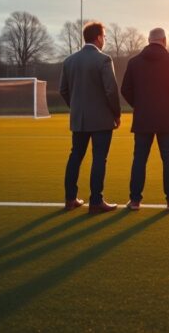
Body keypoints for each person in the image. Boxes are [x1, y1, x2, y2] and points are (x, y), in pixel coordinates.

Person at [121, 27, 169, 211]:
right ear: (164, 41)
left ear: (148, 40)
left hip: (143, 118)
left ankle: (134, 201)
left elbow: (125, 89)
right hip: (167, 118)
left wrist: (139, 104)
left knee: (139, 158)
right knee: (168, 158)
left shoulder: (134, 62)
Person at [59, 21, 122, 214]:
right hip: (101, 119)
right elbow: (111, 90)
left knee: (75, 156)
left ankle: (70, 199)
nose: (105, 39)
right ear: (98, 38)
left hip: (79, 118)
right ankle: (96, 201)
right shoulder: (103, 59)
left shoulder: (69, 61)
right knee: (99, 158)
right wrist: (116, 114)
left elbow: (63, 90)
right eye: (104, 36)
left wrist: (76, 107)